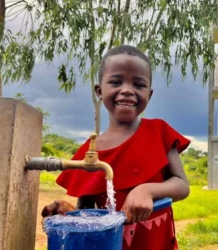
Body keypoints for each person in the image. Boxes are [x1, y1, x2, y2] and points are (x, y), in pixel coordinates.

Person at [41, 45, 191, 250]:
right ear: (99, 91)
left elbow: (182, 186)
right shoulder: (89, 152)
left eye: (139, 84)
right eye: (116, 82)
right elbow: (87, 211)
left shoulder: (159, 132)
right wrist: (70, 213)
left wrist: (147, 190)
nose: (128, 90)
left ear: (150, 93)